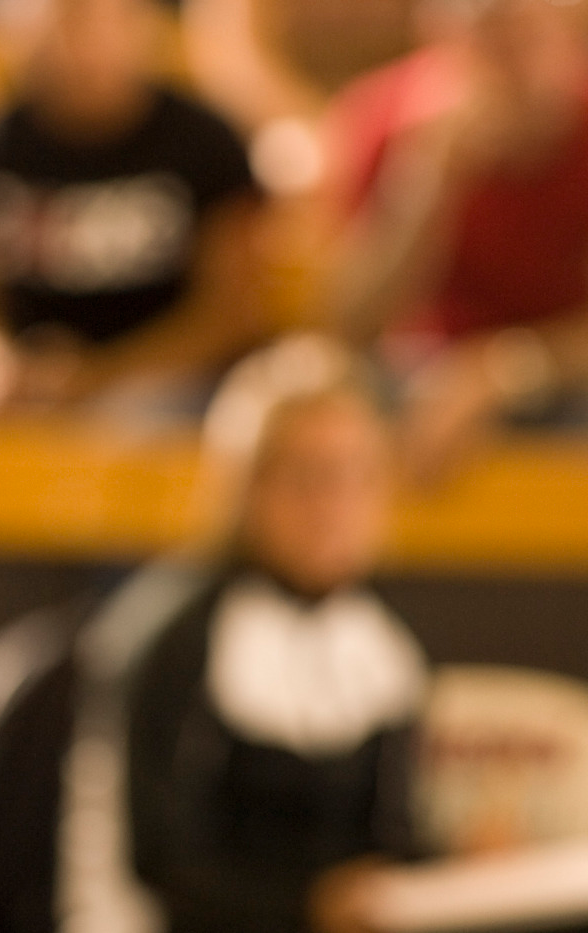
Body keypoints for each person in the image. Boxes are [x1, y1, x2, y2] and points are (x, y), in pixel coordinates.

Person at [126, 334, 428, 933]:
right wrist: (304, 908)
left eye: (355, 476)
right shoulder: (176, 638)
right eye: (307, 477)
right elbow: (156, 862)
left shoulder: (385, 650)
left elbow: (390, 842)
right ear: (248, 486)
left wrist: (459, 860)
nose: (333, 506)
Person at [0, 0, 268, 445]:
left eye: (98, 21)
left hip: (163, 382)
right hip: (21, 386)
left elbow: (228, 314)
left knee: (137, 435)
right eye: (61, 25)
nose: (80, 47)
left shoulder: (205, 145)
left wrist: (103, 376)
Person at [321, 0, 588, 483]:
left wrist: (500, 372)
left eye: (527, 35)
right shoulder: (384, 115)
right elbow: (345, 321)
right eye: (486, 37)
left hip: (564, 379)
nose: (511, 64)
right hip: (419, 375)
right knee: (326, 418)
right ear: (439, 37)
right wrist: (425, 190)